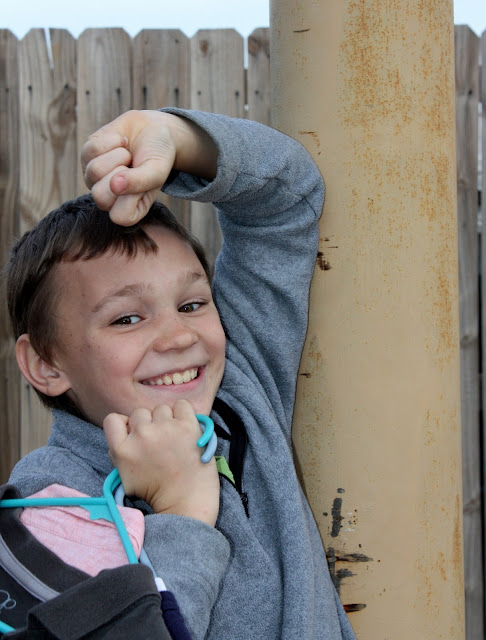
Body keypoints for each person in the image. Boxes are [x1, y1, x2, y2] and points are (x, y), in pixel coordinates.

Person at [5, 108, 356, 639]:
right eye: (127, 319)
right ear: (45, 364)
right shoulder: (48, 509)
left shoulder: (242, 386)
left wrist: (176, 139)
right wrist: (182, 514)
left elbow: (285, 201)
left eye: (192, 304)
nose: (178, 337)